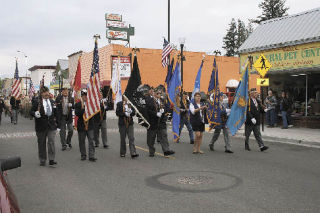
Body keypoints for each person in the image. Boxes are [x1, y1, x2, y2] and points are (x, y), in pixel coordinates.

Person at [30, 86, 58, 166]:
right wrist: (34, 113)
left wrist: (58, 124)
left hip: (51, 126)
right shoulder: (37, 102)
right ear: (41, 93)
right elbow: (31, 111)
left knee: (51, 142)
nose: (46, 94)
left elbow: (56, 113)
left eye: (47, 92)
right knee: (41, 143)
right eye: (44, 92)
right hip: (41, 126)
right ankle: (42, 159)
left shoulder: (52, 101)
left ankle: (51, 159)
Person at [146, 87, 175, 157]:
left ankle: (166, 150)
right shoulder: (149, 100)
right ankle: (151, 151)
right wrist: (155, 113)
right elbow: (147, 110)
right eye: (157, 93)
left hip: (161, 121)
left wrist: (164, 111)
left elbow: (167, 108)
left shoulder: (162, 100)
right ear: (154, 93)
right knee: (151, 138)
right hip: (153, 122)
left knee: (164, 135)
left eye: (160, 93)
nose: (159, 94)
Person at [75, 89, 97, 162]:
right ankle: (83, 155)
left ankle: (91, 155)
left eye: (86, 95)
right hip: (81, 125)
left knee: (91, 140)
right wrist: (84, 110)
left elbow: (94, 113)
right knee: (82, 141)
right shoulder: (78, 104)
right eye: (84, 95)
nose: (85, 97)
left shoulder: (91, 104)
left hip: (90, 125)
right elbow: (77, 113)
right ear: (81, 96)